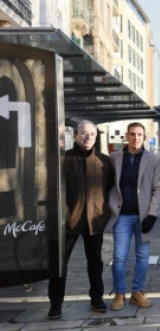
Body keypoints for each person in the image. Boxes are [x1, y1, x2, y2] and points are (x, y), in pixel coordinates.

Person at [47, 120, 115, 319]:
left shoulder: (104, 161)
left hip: (94, 221)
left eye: (91, 134)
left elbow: (110, 188)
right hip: (68, 222)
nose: (87, 137)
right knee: (60, 264)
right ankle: (55, 304)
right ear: (75, 135)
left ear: (96, 137)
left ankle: (97, 299)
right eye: (83, 133)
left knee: (95, 262)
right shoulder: (63, 159)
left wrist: (104, 212)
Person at [107, 122, 160, 310]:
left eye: (139, 134)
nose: (136, 138)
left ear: (144, 137)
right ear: (127, 136)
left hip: (144, 216)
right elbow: (107, 185)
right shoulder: (114, 158)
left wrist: (152, 214)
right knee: (119, 256)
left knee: (142, 256)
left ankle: (137, 292)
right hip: (121, 216)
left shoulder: (154, 160)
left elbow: (159, 188)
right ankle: (119, 294)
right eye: (132, 134)